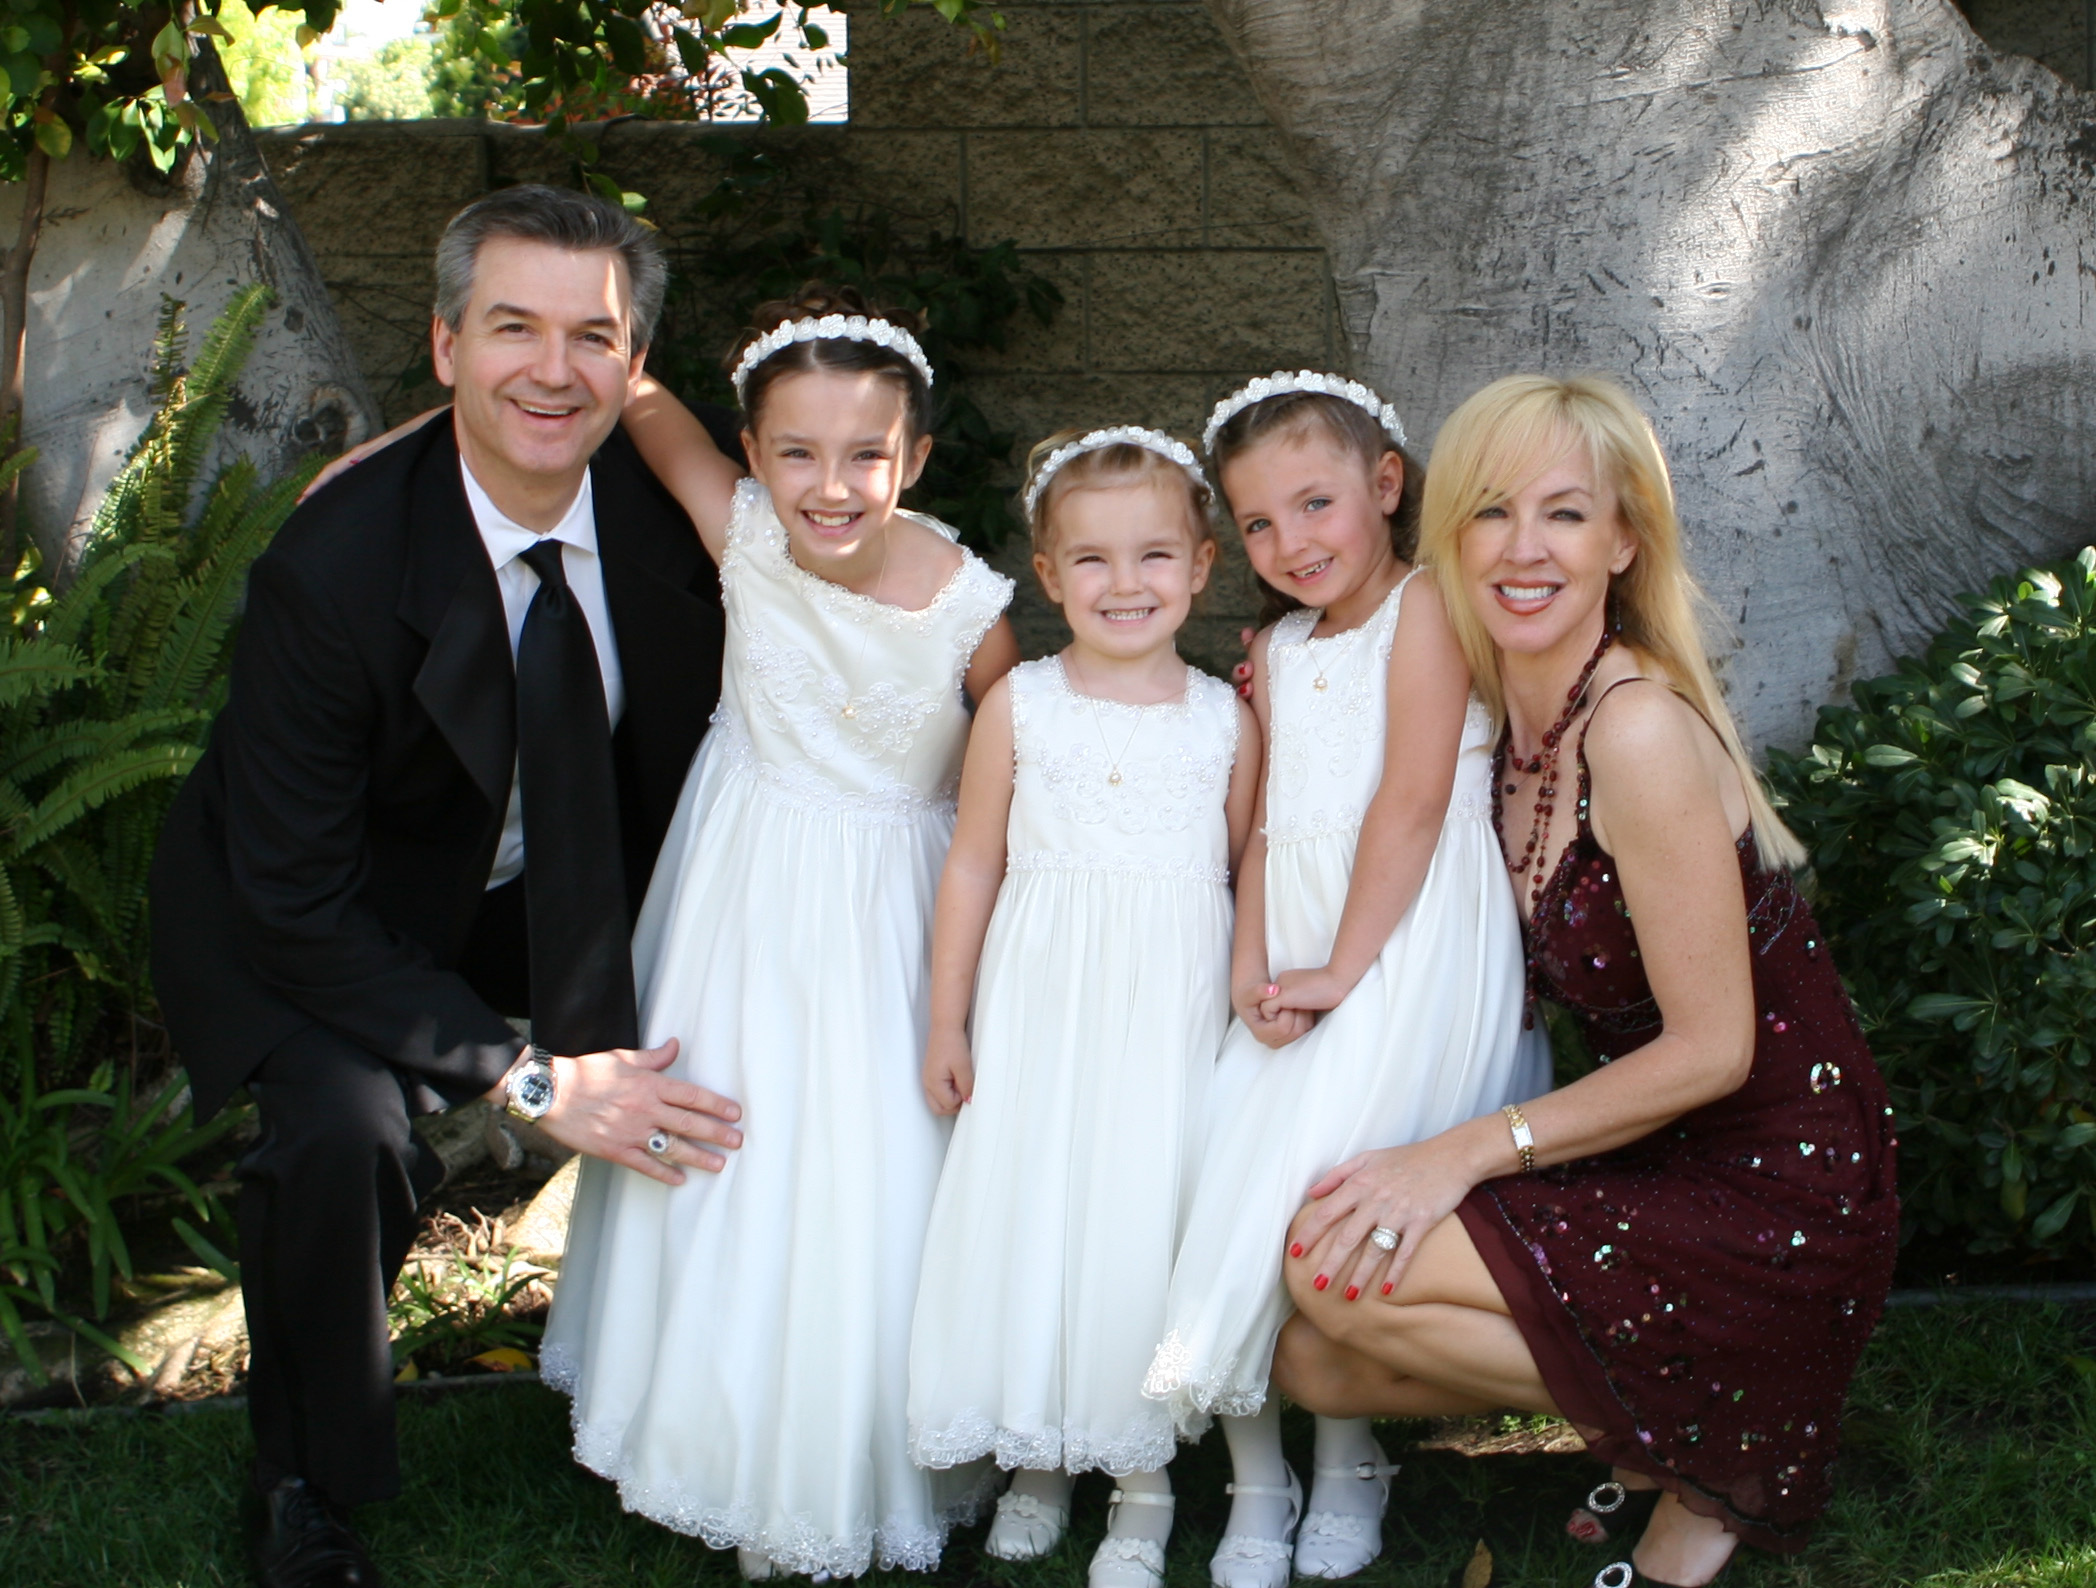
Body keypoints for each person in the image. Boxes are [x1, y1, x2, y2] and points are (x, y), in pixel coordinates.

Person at [149, 186, 748, 1588]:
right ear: (441, 345)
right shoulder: (335, 565)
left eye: (590, 337)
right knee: (340, 1131)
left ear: (633, 361)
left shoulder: (677, 526)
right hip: (311, 911)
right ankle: (303, 1484)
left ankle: (726, 1405)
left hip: (550, 887)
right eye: (510, 329)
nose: (552, 369)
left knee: (770, 1031)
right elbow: (295, 903)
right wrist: (533, 1081)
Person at [1269, 374, 1898, 1588]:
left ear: (1620, 541)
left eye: (1562, 514)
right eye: (1489, 510)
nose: (1520, 549)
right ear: (1447, 533)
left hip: (1784, 1180)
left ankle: (1738, 1413)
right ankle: (1693, 1418)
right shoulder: (1504, 719)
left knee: (1324, 1261)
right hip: (1662, 1151)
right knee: (1312, 1358)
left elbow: (1714, 1051)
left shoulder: (1634, 731)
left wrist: (1454, 1151)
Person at [537, 285, 1021, 1579]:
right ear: (753, 456)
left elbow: (1027, 772)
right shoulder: (742, 529)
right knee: (729, 1145)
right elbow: (648, 415)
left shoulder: (974, 613)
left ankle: (849, 1449)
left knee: (864, 1167)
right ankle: (705, 1429)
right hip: (738, 892)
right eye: (795, 451)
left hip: (886, 907)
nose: (831, 484)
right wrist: (600, 344)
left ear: (913, 457)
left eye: (865, 454)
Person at [1142, 374, 1549, 1587]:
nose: (1291, 543)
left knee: (1333, 1192)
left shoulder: (1426, 607)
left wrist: (1343, 970)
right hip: (1309, 942)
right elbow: (1267, 823)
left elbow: (1413, 802)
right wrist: (1253, 965)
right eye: (1259, 524)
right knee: (1223, 1180)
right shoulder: (1271, 646)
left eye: (1315, 503)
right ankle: (1258, 1479)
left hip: (1409, 943)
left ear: (1383, 486)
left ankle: (1347, 1458)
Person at [906, 428, 1260, 1588]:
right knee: (1037, 1216)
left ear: (1200, 567)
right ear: (1048, 576)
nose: (1125, 585)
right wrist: (947, 1020)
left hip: (1162, 1025)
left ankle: (1140, 1481)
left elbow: (1243, 869)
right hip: (1040, 1015)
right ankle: (1036, 1451)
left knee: (1134, 1229)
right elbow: (970, 864)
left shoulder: (1223, 719)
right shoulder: (1020, 703)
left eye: (1152, 556)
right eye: (1091, 561)